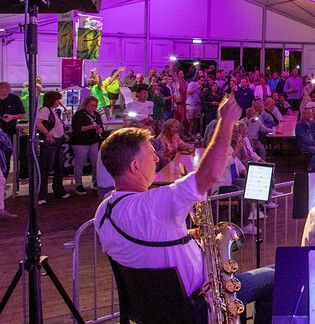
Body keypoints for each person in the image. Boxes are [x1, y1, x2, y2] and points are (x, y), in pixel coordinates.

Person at [94, 95, 274, 324]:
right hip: (197, 306)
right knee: (273, 277)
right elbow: (209, 174)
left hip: (149, 310)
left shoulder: (103, 211)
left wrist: (189, 235)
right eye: (151, 154)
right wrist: (226, 122)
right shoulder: (158, 204)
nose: (157, 157)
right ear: (134, 166)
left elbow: (144, 240)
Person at [36, 91, 69, 204]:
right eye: (57, 99)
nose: (59, 102)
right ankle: (42, 195)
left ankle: (58, 191)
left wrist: (62, 134)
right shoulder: (45, 110)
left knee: (58, 167)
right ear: (52, 100)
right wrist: (47, 133)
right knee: (46, 168)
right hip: (51, 142)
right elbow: (38, 122)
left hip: (57, 141)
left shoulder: (52, 111)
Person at [69, 96, 104, 195]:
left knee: (95, 162)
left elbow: (101, 125)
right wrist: (92, 127)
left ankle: (95, 181)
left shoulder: (97, 114)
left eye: (95, 106)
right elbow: (77, 128)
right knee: (80, 163)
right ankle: (78, 184)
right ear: (86, 105)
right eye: (91, 105)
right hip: (80, 142)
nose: (93, 108)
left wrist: (100, 129)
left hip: (93, 140)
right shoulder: (78, 115)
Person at [0, 82, 25, 176]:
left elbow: (22, 115)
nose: (9, 90)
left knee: (6, 158)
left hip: (9, 132)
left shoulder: (15, 99)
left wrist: (12, 117)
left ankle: (3, 180)